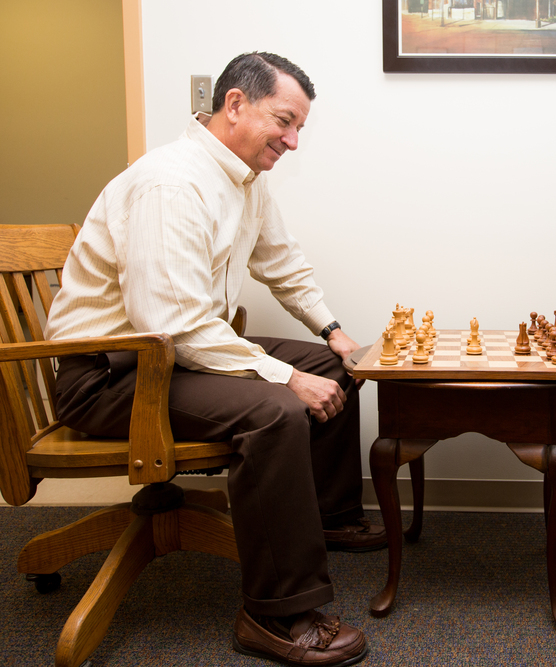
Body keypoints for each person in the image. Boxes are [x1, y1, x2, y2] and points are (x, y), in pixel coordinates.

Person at [45, 52, 383, 666]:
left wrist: (334, 334)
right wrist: (283, 377)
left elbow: (281, 264)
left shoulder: (245, 180)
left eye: (300, 127)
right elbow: (170, 326)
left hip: (174, 357)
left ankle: (326, 519)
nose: (294, 141)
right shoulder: (170, 184)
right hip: (110, 376)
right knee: (275, 409)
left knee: (336, 370)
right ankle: (275, 615)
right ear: (234, 104)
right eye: (285, 121)